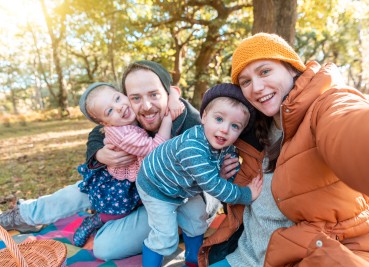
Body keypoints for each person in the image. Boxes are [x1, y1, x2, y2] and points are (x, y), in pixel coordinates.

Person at [198, 33, 369, 267]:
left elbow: (352, 132)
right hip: (242, 255)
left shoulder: (325, 105)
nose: (257, 87)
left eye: (264, 71)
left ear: (292, 68)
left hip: (307, 256)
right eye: (245, 81)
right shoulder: (251, 130)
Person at [0, 60, 219, 261]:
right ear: (127, 97)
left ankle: (108, 221)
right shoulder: (128, 115)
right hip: (129, 189)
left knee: (104, 248)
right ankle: (25, 215)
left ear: (169, 93)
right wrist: (98, 153)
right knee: (84, 188)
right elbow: (99, 131)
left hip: (175, 201)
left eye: (155, 94)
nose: (146, 106)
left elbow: (209, 174)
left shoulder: (190, 122)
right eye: (135, 98)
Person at [137, 83, 263, 267]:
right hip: (156, 186)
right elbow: (214, 186)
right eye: (219, 119)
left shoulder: (224, 143)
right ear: (204, 117)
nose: (225, 129)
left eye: (235, 126)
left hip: (184, 186)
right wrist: (246, 194)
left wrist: (230, 176)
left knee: (197, 219)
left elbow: (231, 167)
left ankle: (192, 260)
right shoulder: (193, 148)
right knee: (166, 236)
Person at [72, 81, 179, 246]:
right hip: (119, 182)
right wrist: (167, 119)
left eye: (117, 99)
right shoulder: (123, 133)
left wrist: (173, 96)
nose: (119, 108)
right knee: (120, 210)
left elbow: (157, 88)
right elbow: (153, 148)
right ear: (106, 123)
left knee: (139, 201)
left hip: (136, 176)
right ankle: (97, 219)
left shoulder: (132, 113)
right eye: (109, 111)